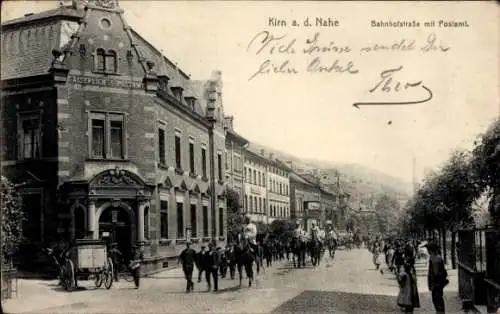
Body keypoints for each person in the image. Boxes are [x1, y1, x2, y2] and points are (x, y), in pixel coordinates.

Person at [427, 242, 448, 314]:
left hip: (436, 284)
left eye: (428, 249)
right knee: (439, 302)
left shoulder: (434, 259)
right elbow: (444, 273)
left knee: (438, 303)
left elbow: (435, 273)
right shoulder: (438, 257)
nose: (427, 251)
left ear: (431, 250)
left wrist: (433, 284)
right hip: (438, 285)